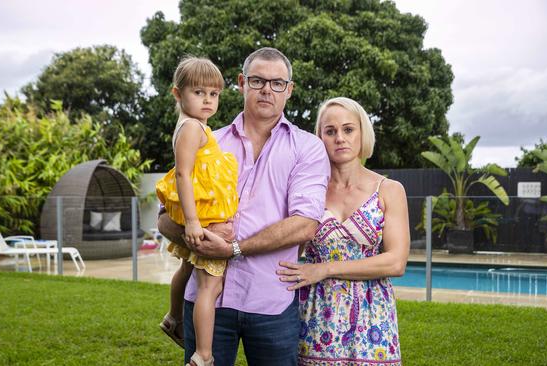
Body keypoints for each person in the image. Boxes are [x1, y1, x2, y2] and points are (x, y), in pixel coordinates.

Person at [158, 47, 331, 366]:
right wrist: (197, 236)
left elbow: (306, 223)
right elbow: (165, 220)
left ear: (289, 89)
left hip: (272, 303)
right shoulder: (206, 141)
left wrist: (233, 248)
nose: (267, 89)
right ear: (241, 83)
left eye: (278, 83)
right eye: (258, 80)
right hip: (206, 305)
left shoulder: (308, 148)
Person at [277, 97, 410, 365]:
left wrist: (324, 269)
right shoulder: (308, 190)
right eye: (330, 131)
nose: (340, 138)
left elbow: (396, 262)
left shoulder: (388, 190)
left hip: (373, 316)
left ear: (362, 134)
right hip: (315, 312)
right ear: (320, 138)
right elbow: (292, 244)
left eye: (348, 129)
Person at [155, 57, 239, 366]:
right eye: (199, 92)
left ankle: (172, 317)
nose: (208, 100)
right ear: (178, 94)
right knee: (209, 285)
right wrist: (191, 221)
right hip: (202, 217)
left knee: (187, 268)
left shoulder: (196, 125)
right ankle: (203, 354)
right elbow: (183, 175)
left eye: (214, 94)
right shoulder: (191, 127)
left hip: (199, 212)